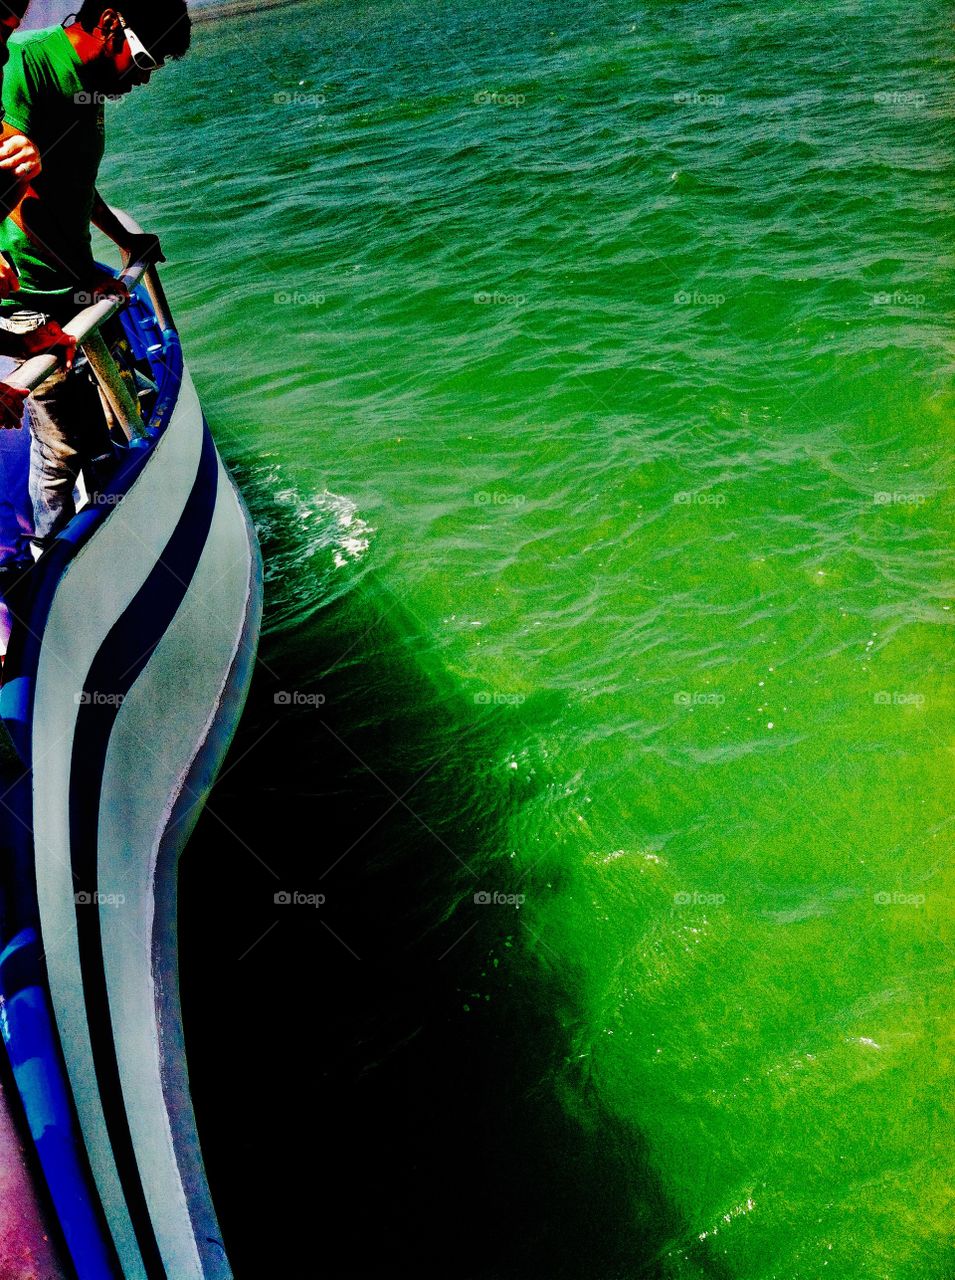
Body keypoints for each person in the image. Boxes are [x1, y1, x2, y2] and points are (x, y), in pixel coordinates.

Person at [0, 1, 191, 544]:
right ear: (110, 23)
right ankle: (48, 559)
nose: (142, 80)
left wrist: (122, 240)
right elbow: (19, 201)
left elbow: (73, 182)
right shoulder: (25, 66)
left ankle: (123, 524)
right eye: (145, 61)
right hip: (30, 298)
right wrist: (79, 280)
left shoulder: (89, 87)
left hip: (78, 285)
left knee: (111, 415)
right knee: (59, 447)